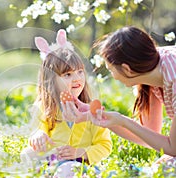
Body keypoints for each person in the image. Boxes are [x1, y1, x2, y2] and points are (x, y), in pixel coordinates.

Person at [73, 26, 176, 167]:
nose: (113, 77)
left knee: (167, 168)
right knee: (160, 168)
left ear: (127, 69)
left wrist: (122, 121)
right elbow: (149, 136)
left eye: (111, 70)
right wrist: (103, 117)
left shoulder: (173, 77)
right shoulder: (154, 67)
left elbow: (173, 148)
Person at [20, 29, 112, 178]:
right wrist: (38, 136)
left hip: (81, 164)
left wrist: (80, 152)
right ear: (51, 80)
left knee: (69, 170)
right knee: (26, 154)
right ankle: (48, 176)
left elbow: (105, 145)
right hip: (54, 160)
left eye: (80, 72)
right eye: (68, 75)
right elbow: (36, 131)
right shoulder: (44, 108)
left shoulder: (92, 109)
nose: (77, 79)